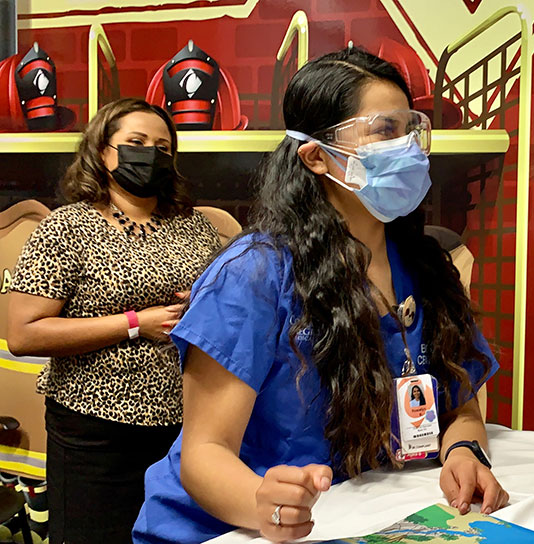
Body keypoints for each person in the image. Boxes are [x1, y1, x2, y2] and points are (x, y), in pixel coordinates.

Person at [132, 48, 506, 544]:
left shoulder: (425, 265)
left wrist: (464, 453)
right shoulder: (254, 275)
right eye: (385, 131)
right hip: (228, 530)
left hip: (357, 516)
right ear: (317, 157)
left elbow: (460, 408)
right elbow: (205, 454)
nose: (410, 149)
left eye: (413, 130)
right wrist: (260, 501)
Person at [6, 97, 221, 544]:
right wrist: (133, 323)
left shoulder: (194, 226)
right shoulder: (66, 228)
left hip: (186, 425)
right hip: (96, 433)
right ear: (103, 152)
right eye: (137, 142)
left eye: (163, 147)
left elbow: (219, 309)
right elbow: (22, 334)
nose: (152, 154)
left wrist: (205, 303)